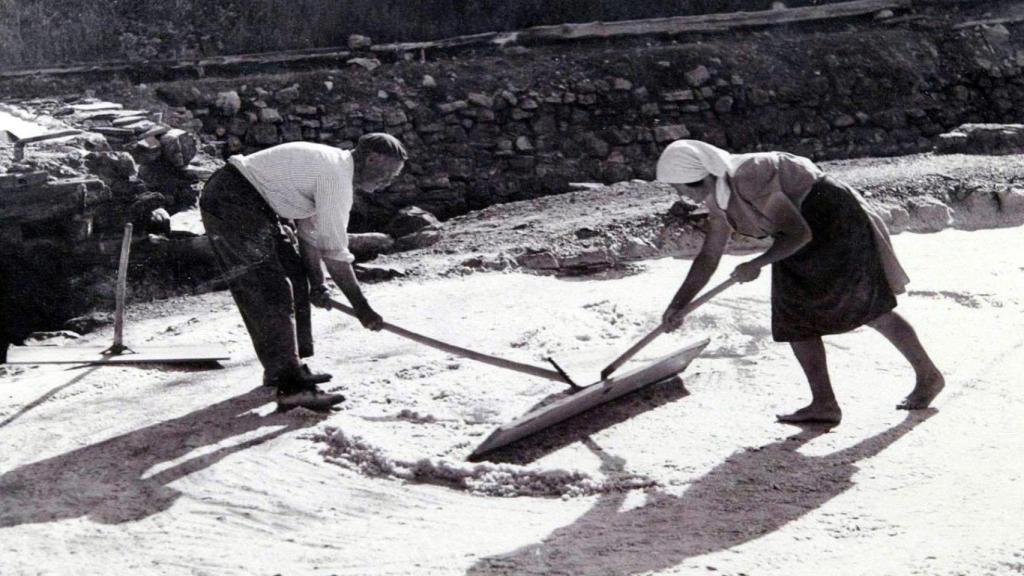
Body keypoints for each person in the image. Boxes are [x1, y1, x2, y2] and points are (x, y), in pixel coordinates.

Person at [656, 139, 944, 424]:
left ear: (698, 175)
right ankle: (824, 404)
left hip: (833, 219)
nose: (679, 194)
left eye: (679, 185)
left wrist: (755, 264)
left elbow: (798, 234)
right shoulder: (716, 194)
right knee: (794, 318)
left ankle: (928, 376)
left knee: (868, 307)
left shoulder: (748, 176)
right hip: (797, 232)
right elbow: (709, 255)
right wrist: (678, 304)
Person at [200, 133, 407, 411]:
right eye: (388, 174)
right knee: (268, 288)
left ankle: (285, 367)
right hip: (233, 199)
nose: (388, 182)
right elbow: (335, 253)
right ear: (372, 159)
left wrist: (318, 284)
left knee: (297, 276)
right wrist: (362, 308)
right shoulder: (336, 179)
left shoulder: (333, 167)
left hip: (251, 201)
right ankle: (292, 387)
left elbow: (309, 234)